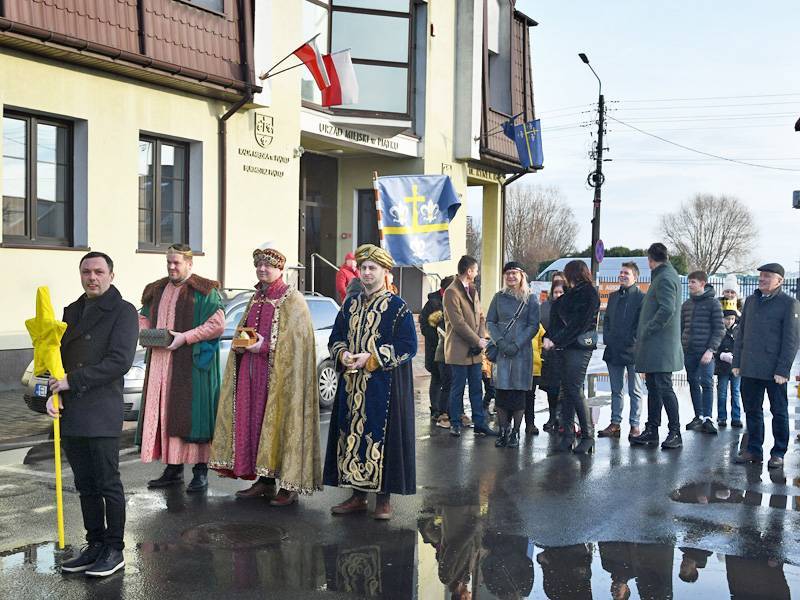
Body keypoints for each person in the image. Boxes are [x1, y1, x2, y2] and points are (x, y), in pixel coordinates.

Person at [48, 252, 138, 577]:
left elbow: (119, 361)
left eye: (99, 271)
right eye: (86, 271)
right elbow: (55, 358)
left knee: (107, 484)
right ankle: (95, 545)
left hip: (101, 410)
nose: (92, 277)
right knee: (85, 484)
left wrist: (72, 381)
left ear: (111, 275)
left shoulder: (124, 312)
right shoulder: (71, 311)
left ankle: (115, 549)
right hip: (72, 411)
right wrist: (52, 393)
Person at [210, 247, 322, 504]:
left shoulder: (293, 300)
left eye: (268, 265)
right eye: (259, 265)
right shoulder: (256, 297)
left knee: (282, 426)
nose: (262, 269)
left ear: (281, 269)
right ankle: (264, 481)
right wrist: (242, 343)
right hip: (252, 376)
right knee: (259, 428)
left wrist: (263, 345)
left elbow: (298, 342)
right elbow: (246, 329)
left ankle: (288, 485)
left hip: (282, 380)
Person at [324, 244, 417, 520]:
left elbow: (408, 345)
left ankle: (384, 499)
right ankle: (356, 495)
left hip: (383, 387)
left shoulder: (398, 308)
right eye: (363, 267)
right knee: (352, 437)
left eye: (372, 268)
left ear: (384, 272)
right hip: (352, 386)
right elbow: (335, 338)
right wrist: (342, 354)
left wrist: (372, 358)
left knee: (381, 438)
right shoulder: (350, 304)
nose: (366, 272)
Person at [137, 244, 224, 492]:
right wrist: (145, 331)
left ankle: (200, 472)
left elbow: (217, 324)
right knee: (167, 414)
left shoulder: (205, 290)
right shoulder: (157, 289)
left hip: (192, 365)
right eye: (169, 262)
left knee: (194, 416)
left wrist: (185, 337)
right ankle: (173, 469)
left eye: (177, 263)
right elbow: (143, 316)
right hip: (160, 365)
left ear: (189, 264)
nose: (172, 267)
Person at [733, 263, 800, 469]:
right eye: (761, 276)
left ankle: (778, 452)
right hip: (750, 367)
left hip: (774, 371)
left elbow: (791, 340)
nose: (762, 279)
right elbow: (740, 334)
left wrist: (783, 369)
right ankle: (754, 449)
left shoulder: (789, 304)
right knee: (752, 411)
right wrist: (737, 362)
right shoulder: (751, 301)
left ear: (779, 281)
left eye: (767, 276)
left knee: (778, 411)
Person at [543, 260, 600, 454]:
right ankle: (567, 435)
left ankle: (587, 435)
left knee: (574, 389)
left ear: (573, 274)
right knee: (567, 390)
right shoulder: (570, 294)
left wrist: (555, 340)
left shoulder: (589, 293)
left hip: (579, 347)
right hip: (566, 347)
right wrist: (549, 337)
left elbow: (578, 325)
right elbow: (558, 321)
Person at [630, 243, 684, 450]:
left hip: (661, 345)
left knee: (663, 387)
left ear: (650, 259)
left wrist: (648, 329)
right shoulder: (664, 276)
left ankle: (675, 432)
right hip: (657, 345)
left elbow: (667, 309)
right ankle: (652, 429)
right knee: (653, 387)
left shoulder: (665, 277)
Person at [486, 262, 540, 448]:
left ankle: (516, 433)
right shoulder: (498, 298)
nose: (510, 277)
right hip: (502, 352)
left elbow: (534, 325)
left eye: (514, 273)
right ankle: (503, 432)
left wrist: (517, 344)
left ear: (521, 275)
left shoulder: (531, 299)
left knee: (518, 394)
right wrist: (500, 342)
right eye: (507, 273)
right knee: (501, 393)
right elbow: (490, 321)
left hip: (522, 352)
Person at [443, 255, 497, 437]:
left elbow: (481, 316)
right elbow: (457, 323)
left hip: (474, 350)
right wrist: (477, 340)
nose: (477, 272)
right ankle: (455, 422)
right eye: (476, 269)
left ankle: (479, 422)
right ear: (469, 271)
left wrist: (481, 337)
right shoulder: (452, 292)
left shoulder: (473, 289)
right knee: (457, 388)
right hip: (458, 350)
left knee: (476, 387)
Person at [598, 262, 644, 440]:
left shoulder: (641, 297)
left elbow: (640, 325)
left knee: (635, 391)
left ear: (635, 277)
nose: (622, 275)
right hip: (614, 349)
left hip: (633, 350)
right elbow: (606, 320)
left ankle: (635, 424)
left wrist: (632, 341)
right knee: (616, 390)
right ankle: (615, 423)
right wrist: (607, 338)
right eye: (621, 272)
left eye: (627, 273)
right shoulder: (613, 296)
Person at [681, 270, 725, 435]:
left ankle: (708, 418)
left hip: (705, 352)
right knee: (692, 382)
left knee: (706, 383)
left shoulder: (713, 304)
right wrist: (681, 345)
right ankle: (698, 416)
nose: (690, 285)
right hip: (689, 351)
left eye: (693, 282)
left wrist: (711, 350)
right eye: (689, 282)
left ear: (702, 284)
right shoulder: (686, 304)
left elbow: (719, 330)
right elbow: (681, 328)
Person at [420, 276, 455, 421]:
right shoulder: (433, 304)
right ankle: (436, 409)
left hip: (449, 348)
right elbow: (425, 327)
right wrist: (439, 339)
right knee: (437, 378)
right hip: (436, 348)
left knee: (447, 380)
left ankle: (445, 409)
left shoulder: (450, 300)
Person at [539, 280, 564, 432]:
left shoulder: (569, 307)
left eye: (561, 292)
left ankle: (562, 418)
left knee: (563, 388)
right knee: (551, 388)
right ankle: (552, 415)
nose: (558, 295)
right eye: (556, 292)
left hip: (563, 352)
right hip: (549, 353)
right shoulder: (546, 307)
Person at [715, 310, 742, 428]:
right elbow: (715, 346)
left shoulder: (738, 331)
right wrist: (721, 355)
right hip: (723, 367)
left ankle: (736, 417)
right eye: (727, 319)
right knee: (722, 393)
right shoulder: (720, 331)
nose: (729, 321)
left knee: (736, 392)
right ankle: (722, 417)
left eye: (732, 319)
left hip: (736, 365)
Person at [525, 323, 546, 437]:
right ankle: (528, 424)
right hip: (531, 363)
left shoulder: (536, 324)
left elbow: (542, 341)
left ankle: (529, 424)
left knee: (529, 396)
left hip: (534, 364)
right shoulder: (536, 323)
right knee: (527, 396)